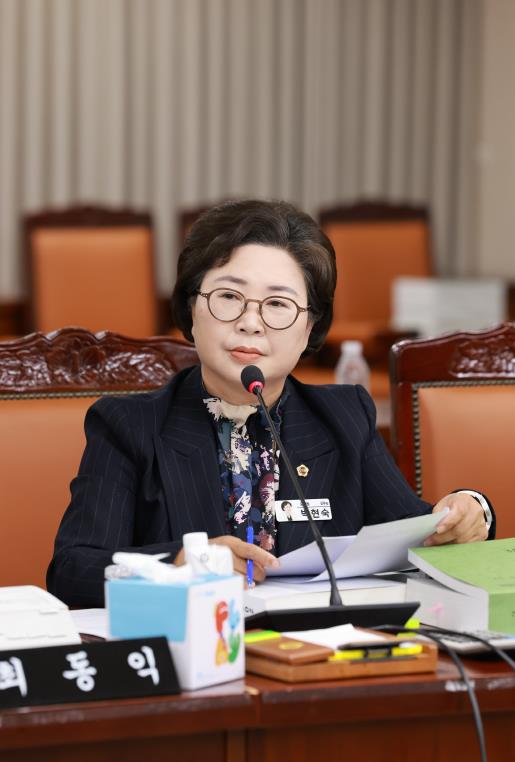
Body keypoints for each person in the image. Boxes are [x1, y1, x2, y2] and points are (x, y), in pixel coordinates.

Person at [47, 199, 494, 607]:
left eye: (278, 304)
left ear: (309, 327)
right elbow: (73, 570)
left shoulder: (344, 418)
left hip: (319, 652)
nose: (250, 322)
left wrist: (469, 511)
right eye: (229, 296)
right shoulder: (129, 425)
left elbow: (417, 532)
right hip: (193, 652)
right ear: (191, 309)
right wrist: (183, 563)